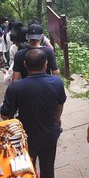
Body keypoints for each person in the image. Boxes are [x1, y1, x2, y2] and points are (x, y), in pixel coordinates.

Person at [0, 49, 67, 178]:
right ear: (46, 65)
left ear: (25, 64)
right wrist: (57, 120)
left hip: (25, 139)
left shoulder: (15, 87)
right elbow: (60, 105)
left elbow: (5, 115)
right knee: (48, 169)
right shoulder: (56, 82)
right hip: (50, 134)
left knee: (26, 169)